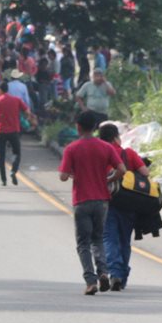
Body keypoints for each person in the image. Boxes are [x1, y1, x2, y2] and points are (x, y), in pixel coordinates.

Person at [58, 111, 126, 295]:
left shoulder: (72, 148)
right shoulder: (106, 147)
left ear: (78, 127)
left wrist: (73, 173)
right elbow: (122, 169)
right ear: (95, 127)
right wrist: (108, 179)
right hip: (102, 200)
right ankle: (103, 272)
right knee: (98, 239)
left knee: (83, 243)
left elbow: (63, 176)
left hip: (82, 200)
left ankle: (91, 281)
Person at [98, 123, 149, 290]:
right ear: (115, 138)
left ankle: (115, 273)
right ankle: (122, 276)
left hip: (107, 201)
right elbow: (145, 173)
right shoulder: (128, 153)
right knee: (124, 240)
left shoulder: (99, 154)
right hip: (129, 203)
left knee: (109, 238)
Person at [0, 81, 36, 186]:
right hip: (14, 130)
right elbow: (27, 111)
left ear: (0, 90)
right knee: (16, 153)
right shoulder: (16, 100)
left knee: (1, 156)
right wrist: (27, 118)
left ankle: (3, 180)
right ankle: (13, 170)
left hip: (0, 131)